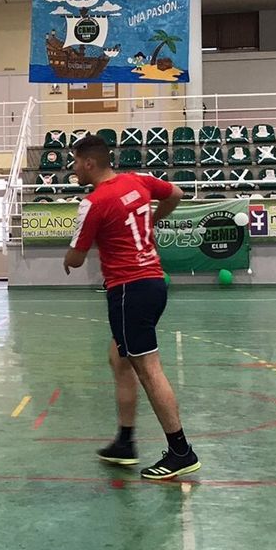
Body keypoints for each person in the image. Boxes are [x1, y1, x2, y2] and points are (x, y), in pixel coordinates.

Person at [63, 134, 200, 480]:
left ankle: (181, 450)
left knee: (148, 368)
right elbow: (176, 194)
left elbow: (76, 259)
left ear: (89, 163)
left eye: (76, 162)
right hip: (153, 282)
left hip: (128, 289)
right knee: (119, 358)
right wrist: (152, 219)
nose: (74, 169)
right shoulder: (136, 181)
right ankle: (125, 441)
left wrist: (69, 256)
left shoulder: (94, 202)